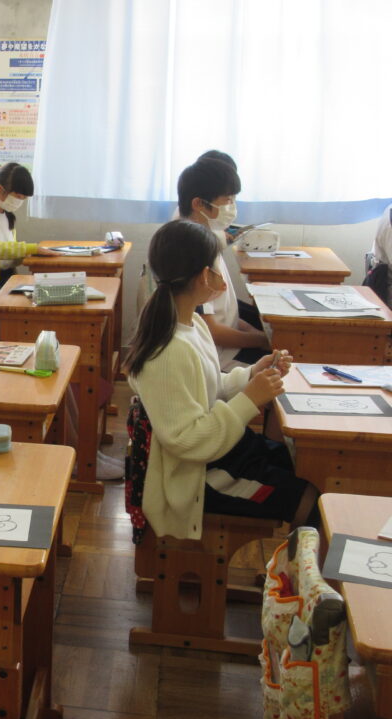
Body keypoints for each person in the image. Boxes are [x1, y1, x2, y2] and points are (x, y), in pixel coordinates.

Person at [126, 220, 311, 540]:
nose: (221, 276)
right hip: (199, 476)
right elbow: (187, 441)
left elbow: (207, 389)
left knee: (302, 464)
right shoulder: (170, 350)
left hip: (220, 448)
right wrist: (250, 399)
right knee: (309, 500)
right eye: (216, 267)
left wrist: (250, 376)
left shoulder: (192, 324)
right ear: (203, 276)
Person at [177, 158, 268, 369]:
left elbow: (224, 313)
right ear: (199, 204)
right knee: (289, 363)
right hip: (219, 358)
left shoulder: (206, 239)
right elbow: (212, 329)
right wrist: (263, 340)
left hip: (225, 346)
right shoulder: (194, 251)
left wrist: (258, 335)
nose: (232, 207)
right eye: (227, 200)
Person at [0, 162, 58, 281]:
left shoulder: (7, 215)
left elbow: (9, 253)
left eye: (24, 199)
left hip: (8, 275)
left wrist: (28, 255)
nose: (19, 202)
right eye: (18, 197)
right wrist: (31, 248)